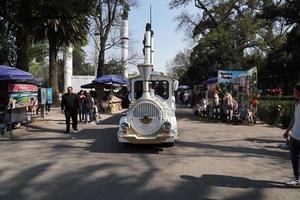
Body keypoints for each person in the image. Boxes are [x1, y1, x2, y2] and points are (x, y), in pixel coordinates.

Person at [283, 84, 300, 187]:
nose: (293, 93)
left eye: (294, 91)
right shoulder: (297, 103)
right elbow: (294, 119)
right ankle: (297, 178)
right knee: (295, 158)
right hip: (294, 136)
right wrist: (287, 131)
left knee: (296, 159)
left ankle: (297, 179)